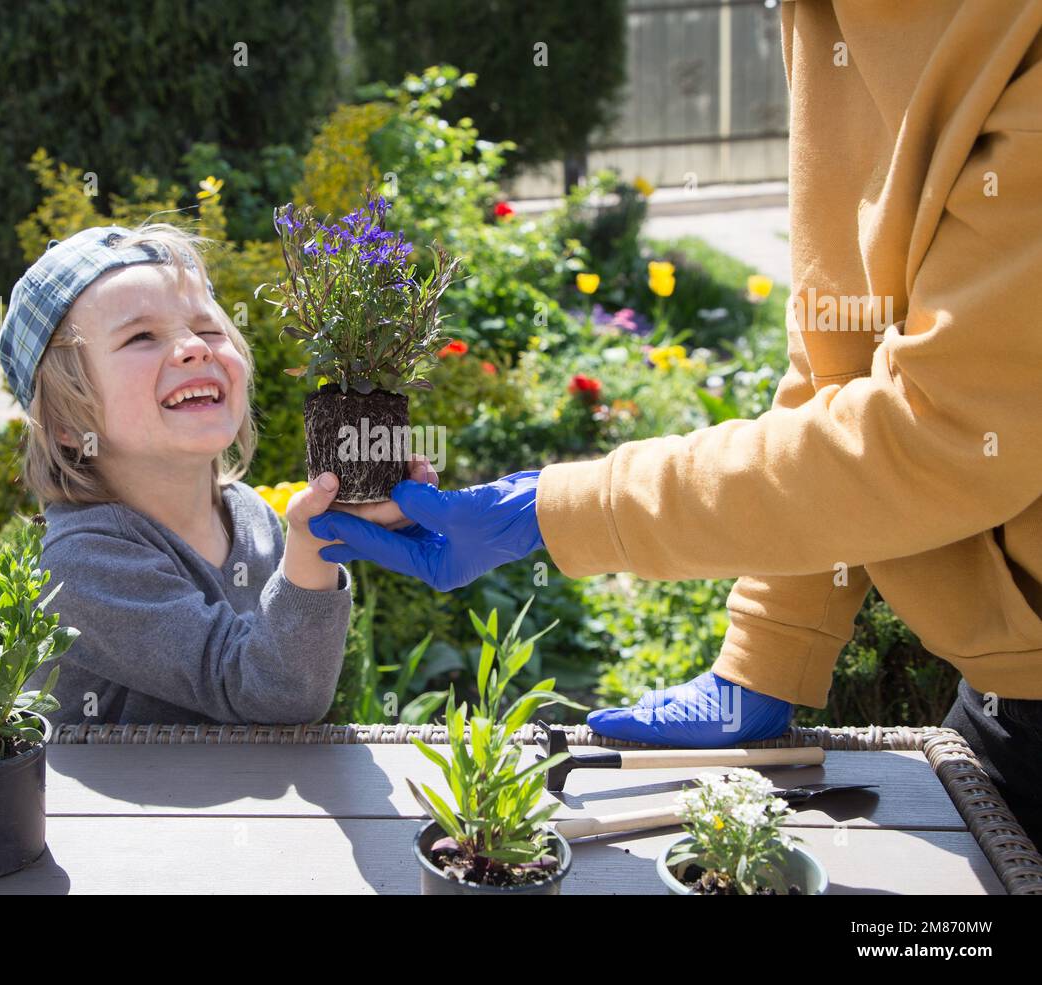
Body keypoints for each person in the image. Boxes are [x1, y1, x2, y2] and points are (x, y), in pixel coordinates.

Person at [309, 1, 1042, 846]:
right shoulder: (825, 14)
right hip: (1005, 702)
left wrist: (551, 510)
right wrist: (768, 651)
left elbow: (943, 430)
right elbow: (838, 369)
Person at [0, 223, 367, 728]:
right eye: (141, 336)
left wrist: (352, 516)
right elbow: (274, 692)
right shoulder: (83, 563)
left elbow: (294, 664)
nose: (195, 348)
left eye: (210, 329)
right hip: (122, 810)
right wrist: (313, 541)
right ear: (66, 422)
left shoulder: (249, 513)